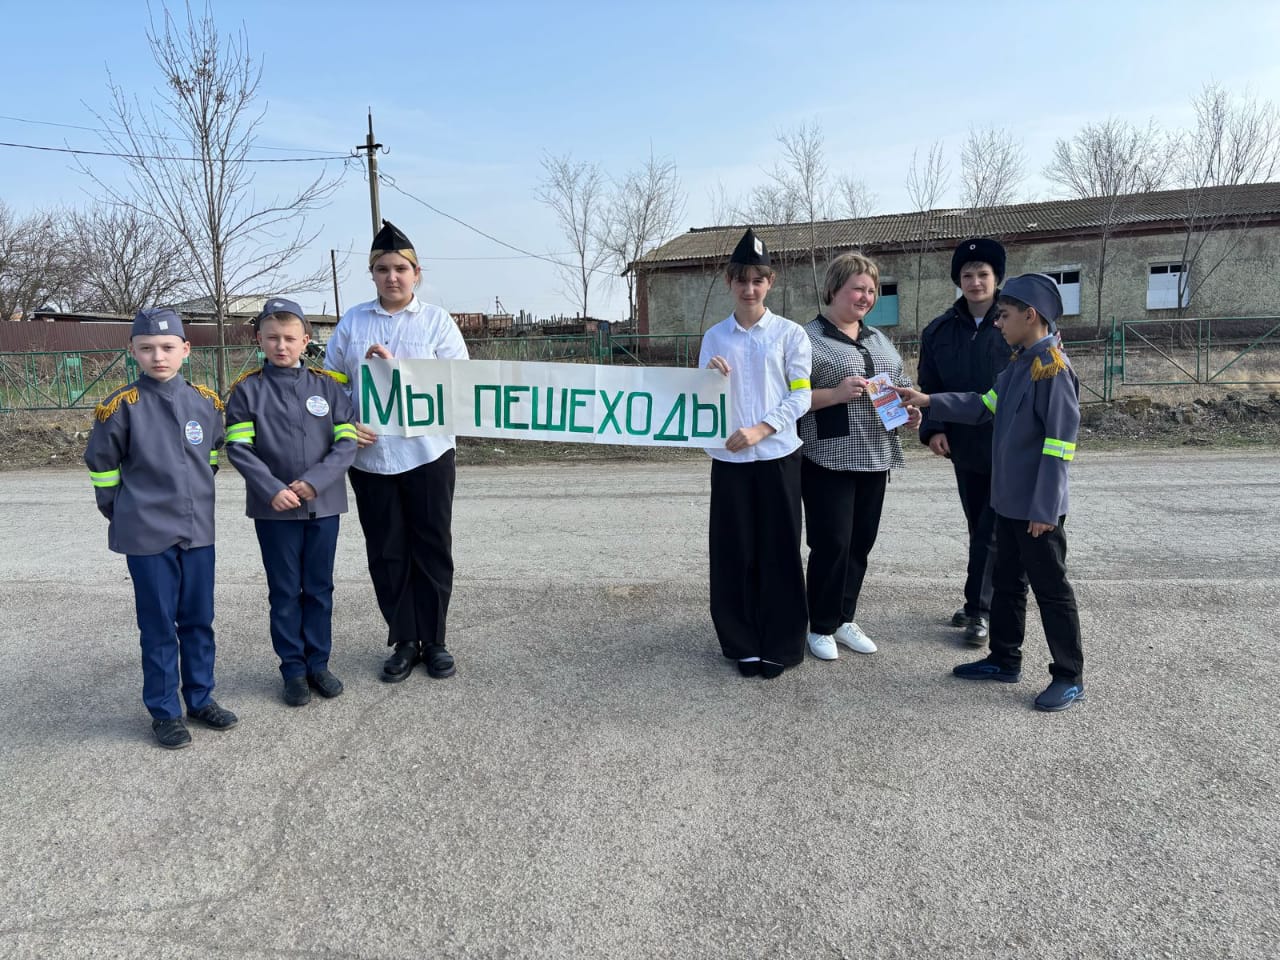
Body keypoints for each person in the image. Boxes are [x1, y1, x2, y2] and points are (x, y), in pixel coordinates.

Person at [891, 274, 1085, 712]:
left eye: (1005, 315)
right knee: (1007, 583)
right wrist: (927, 400)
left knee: (1051, 590)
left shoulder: (1052, 370)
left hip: (1036, 509)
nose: (998, 323)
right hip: (1008, 502)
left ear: (1030, 316)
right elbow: (983, 406)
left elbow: (1060, 447)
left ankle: (1069, 676)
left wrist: (1045, 509)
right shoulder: (1019, 365)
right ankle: (1004, 658)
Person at [83, 308, 238, 749]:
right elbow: (103, 469)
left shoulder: (206, 403)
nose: (158, 356)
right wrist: (125, 513)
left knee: (199, 620)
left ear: (185, 350)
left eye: (168, 347)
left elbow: (210, 458)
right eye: (147, 348)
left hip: (198, 532)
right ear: (132, 351)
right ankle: (165, 712)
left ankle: (201, 698)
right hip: (146, 534)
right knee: (158, 626)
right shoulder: (120, 408)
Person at [325, 221, 470, 683]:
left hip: (428, 453)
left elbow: (459, 383)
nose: (392, 277)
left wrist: (398, 372)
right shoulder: (352, 323)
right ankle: (404, 639)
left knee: (432, 545)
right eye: (383, 269)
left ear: (416, 273)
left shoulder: (436, 322)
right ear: (372, 274)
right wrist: (345, 423)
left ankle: (435, 640)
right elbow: (331, 385)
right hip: (370, 458)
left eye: (401, 269)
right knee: (387, 550)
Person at [224, 298, 358, 707]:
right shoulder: (247, 390)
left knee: (319, 588)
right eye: (272, 338)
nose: (281, 346)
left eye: (289, 338)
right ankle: (293, 671)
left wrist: (316, 482)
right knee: (284, 592)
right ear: (259, 340)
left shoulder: (327, 387)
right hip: (274, 510)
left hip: (323, 505)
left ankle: (319, 664)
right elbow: (239, 448)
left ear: (305, 340)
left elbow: (347, 441)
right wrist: (271, 488)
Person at [699, 228, 812, 679]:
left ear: (770, 282)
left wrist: (762, 429)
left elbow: (801, 394)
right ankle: (741, 641)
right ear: (730, 282)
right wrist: (708, 375)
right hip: (730, 460)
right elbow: (700, 398)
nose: (749, 289)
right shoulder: (715, 337)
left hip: (778, 457)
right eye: (742, 280)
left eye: (758, 280)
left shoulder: (790, 334)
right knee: (733, 551)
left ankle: (781, 642)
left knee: (779, 551)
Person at [797, 253, 921, 663]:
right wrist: (834, 394)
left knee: (859, 543)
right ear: (834, 288)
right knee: (831, 542)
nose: (866, 297)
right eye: (857, 289)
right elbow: (786, 398)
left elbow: (900, 384)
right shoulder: (805, 338)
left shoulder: (879, 339)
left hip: (875, 455)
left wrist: (910, 411)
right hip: (827, 455)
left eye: (871, 290)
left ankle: (844, 618)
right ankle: (820, 624)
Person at [916, 238, 1010, 646]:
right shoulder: (939, 331)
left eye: (983, 274)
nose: (975, 282)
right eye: (968, 275)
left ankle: (980, 610)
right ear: (958, 280)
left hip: (1008, 444)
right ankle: (987, 597)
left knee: (991, 529)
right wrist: (934, 428)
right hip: (965, 445)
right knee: (979, 527)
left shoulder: (1016, 320)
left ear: (997, 278)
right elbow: (930, 384)